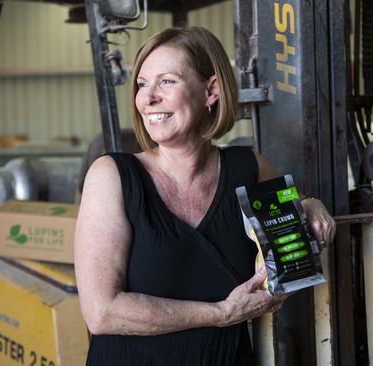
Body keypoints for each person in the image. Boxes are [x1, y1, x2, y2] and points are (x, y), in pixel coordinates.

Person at [74, 26, 336, 366]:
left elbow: (288, 234)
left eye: (167, 81)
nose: (148, 98)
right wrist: (221, 313)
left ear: (211, 90)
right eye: (142, 84)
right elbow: (101, 312)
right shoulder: (112, 177)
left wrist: (308, 203)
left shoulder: (250, 169)